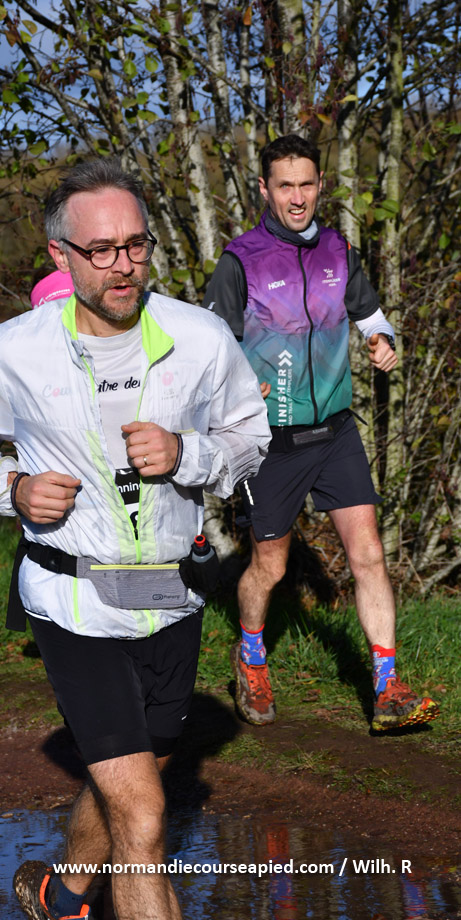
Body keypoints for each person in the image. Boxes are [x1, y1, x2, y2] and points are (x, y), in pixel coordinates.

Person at [0, 158, 270, 920]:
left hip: (173, 596)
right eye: (102, 250)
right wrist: (12, 488)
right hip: (72, 599)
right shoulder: (17, 349)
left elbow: (249, 436)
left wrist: (188, 454)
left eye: (136, 245)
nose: (124, 265)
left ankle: (65, 893)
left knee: (134, 777)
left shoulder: (198, 336)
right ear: (60, 254)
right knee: (144, 817)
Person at [202, 133, 439, 734]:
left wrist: (382, 341)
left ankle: (387, 685)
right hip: (271, 441)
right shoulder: (240, 261)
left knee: (369, 554)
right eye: (285, 186)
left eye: (307, 184)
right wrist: (237, 389)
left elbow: (371, 314)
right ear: (264, 189)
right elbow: (210, 350)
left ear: (320, 185)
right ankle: (250, 654)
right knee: (271, 567)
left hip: (335, 432)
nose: (298, 197)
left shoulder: (338, 249)